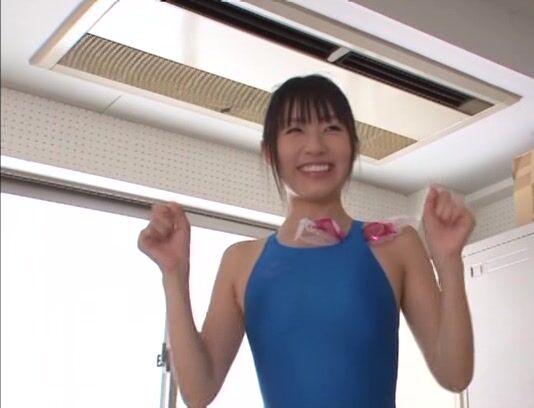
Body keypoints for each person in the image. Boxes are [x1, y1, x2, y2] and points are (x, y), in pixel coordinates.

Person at [138, 75, 475, 407]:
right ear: (270, 152)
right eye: (295, 130)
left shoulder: (395, 246)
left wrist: (449, 261)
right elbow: (199, 392)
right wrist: (174, 274)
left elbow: (455, 375)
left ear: (354, 146)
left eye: (332, 128)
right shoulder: (240, 262)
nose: (315, 146)